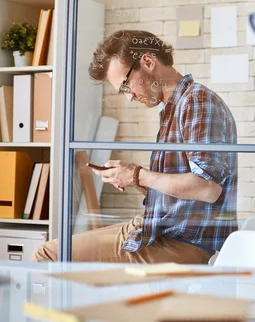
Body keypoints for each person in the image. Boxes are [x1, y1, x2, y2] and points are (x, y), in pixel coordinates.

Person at [32, 30, 238, 263]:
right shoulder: (173, 108)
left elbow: (207, 189)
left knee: (47, 255)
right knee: (59, 252)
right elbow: (179, 197)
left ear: (148, 61)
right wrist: (130, 177)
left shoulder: (196, 101)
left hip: (182, 243)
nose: (129, 97)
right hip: (158, 231)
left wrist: (138, 175)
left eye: (125, 85)